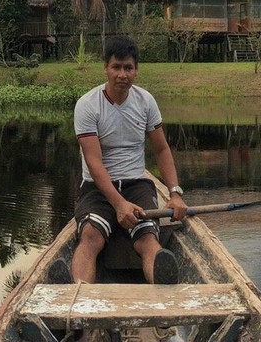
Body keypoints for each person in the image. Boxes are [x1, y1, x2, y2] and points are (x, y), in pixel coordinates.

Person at [61, 35, 188, 284]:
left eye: (128, 68)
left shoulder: (145, 101)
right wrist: (119, 204)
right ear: (105, 68)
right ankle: (80, 294)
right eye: (116, 67)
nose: (122, 74)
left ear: (136, 71)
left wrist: (174, 193)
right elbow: (93, 162)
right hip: (98, 188)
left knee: (147, 238)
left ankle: (163, 291)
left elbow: (162, 150)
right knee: (90, 236)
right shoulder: (88, 105)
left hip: (136, 184)